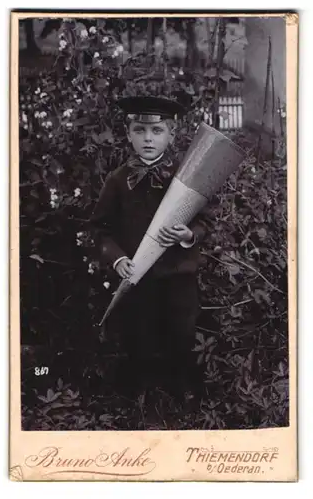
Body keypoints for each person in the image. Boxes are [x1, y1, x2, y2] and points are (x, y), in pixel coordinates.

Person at [90, 96, 208, 403]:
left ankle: (182, 393)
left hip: (177, 275)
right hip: (138, 276)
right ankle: (139, 397)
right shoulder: (117, 181)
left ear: (171, 134)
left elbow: (206, 221)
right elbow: (100, 229)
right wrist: (116, 258)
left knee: (181, 334)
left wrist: (188, 234)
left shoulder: (185, 177)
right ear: (128, 134)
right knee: (138, 337)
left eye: (156, 131)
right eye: (140, 130)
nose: (148, 139)